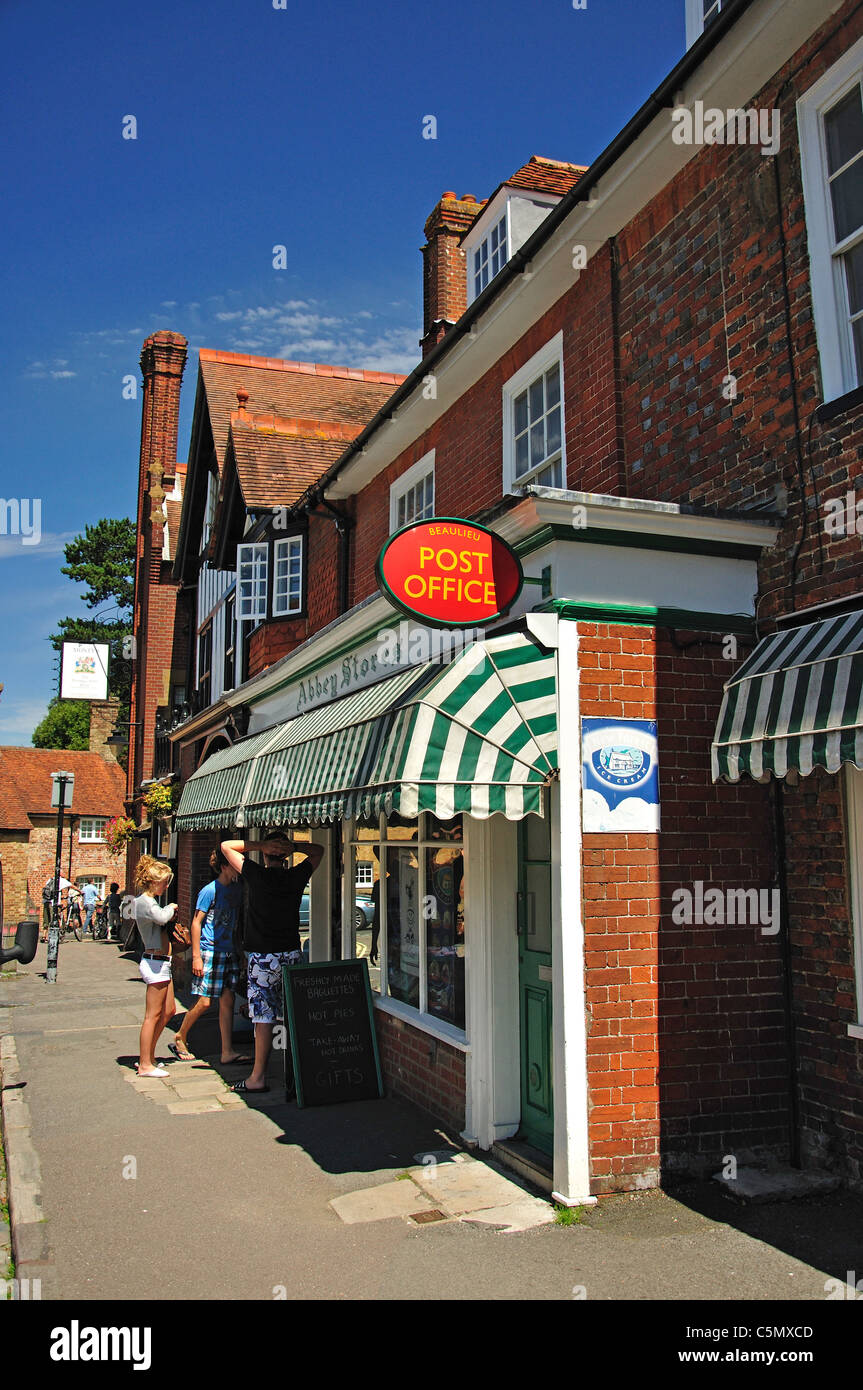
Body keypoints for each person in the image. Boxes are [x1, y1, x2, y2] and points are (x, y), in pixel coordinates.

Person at [221, 832, 324, 1093]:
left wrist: (260, 845)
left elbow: (226, 846)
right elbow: (319, 851)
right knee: (294, 1014)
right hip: (290, 953)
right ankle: (302, 1074)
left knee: (263, 1018)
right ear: (286, 856)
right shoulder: (295, 876)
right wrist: (293, 846)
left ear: (266, 855)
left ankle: (257, 1077)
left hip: (262, 957)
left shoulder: (256, 874)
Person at [169, 849, 250, 1065]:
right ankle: (181, 1035)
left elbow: (235, 924)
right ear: (224, 866)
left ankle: (227, 1051)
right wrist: (196, 956)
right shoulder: (209, 891)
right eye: (235, 864)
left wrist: (239, 950)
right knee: (204, 1002)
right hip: (209, 950)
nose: (239, 869)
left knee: (228, 1001)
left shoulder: (236, 889)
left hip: (229, 951)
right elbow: (196, 923)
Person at [132, 854, 179, 1078]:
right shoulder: (145, 902)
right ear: (153, 881)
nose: (166, 886)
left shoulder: (151, 902)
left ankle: (149, 1056)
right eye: (164, 882)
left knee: (169, 1010)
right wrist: (171, 906)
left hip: (163, 963)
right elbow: (162, 918)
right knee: (152, 1015)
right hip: (154, 963)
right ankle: (144, 1064)